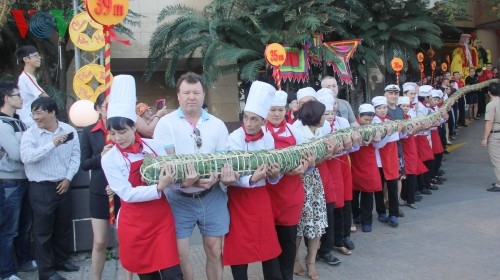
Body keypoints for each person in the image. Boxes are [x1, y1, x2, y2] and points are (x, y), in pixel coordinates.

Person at [100, 75, 182, 279]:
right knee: (148, 275)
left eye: (122, 132)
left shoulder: (154, 147)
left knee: (173, 274)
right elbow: (126, 194)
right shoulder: (109, 159)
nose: (118, 138)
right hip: (134, 223)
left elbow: (171, 176)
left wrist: (178, 181)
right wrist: (158, 188)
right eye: (113, 133)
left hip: (161, 218)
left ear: (134, 127)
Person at [153, 72, 229, 280]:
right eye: (186, 92)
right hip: (177, 198)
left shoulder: (217, 124)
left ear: (204, 94)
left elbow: (224, 160)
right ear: (178, 95)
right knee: (180, 253)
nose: (191, 96)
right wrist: (189, 181)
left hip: (212, 196)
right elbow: (166, 163)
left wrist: (217, 177)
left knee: (215, 249)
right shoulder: (165, 124)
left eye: (196, 92)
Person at [221, 81, 283, 280]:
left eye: (254, 119)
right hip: (239, 200)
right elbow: (231, 174)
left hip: (261, 199)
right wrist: (251, 179)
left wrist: (274, 175)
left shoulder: (269, 139)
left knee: (268, 247)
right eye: (246, 118)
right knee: (239, 250)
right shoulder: (233, 138)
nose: (248, 123)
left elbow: (273, 174)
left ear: (263, 121)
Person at [20, 97, 80, 280]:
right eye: (33, 113)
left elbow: (75, 156)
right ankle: (46, 271)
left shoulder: (69, 130)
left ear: (52, 112)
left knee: (63, 225)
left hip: (63, 184)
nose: (35, 117)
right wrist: (53, 144)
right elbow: (27, 158)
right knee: (42, 231)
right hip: (40, 187)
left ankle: (62, 260)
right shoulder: (30, 134)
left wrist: (68, 178)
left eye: (39, 113)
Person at [80, 93, 132, 280]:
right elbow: (84, 164)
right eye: (105, 106)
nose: (109, 109)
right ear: (98, 108)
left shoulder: (126, 129)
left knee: (125, 241)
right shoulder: (89, 132)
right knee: (100, 241)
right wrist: (100, 156)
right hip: (99, 190)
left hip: (124, 190)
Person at [265, 90, 309, 280]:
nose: (276, 114)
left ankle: (287, 276)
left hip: (291, 194)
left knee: (289, 239)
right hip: (267, 194)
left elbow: (306, 158)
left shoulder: (295, 131)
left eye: (280, 110)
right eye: (273, 110)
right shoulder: (261, 133)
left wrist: (305, 165)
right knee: (269, 240)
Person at [292, 100, 337, 280]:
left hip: (315, 181)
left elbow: (319, 161)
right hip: (299, 180)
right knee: (299, 224)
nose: (326, 118)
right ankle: (295, 260)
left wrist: (328, 153)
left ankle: (311, 261)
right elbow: (298, 163)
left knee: (317, 222)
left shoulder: (320, 131)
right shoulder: (297, 133)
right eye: (324, 115)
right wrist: (321, 158)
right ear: (315, 116)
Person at [0, 81, 30, 280]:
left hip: (24, 178)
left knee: (24, 226)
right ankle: (7, 271)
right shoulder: (2, 123)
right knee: (8, 229)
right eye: (17, 95)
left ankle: (25, 261)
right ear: (6, 98)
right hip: (8, 181)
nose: (21, 98)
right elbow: (18, 153)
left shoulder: (19, 121)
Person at [351, 104, 384, 233]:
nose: (368, 122)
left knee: (368, 193)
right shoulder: (351, 128)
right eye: (365, 120)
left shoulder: (375, 128)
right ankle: (356, 215)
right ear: (358, 117)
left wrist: (375, 139)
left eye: (370, 120)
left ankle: (367, 221)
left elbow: (379, 142)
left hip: (369, 162)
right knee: (353, 193)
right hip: (354, 162)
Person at [372, 96, 401, 228]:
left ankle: (393, 214)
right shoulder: (373, 123)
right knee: (378, 188)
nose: (382, 110)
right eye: (379, 108)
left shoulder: (390, 121)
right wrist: (389, 134)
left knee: (392, 187)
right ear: (374, 110)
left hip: (390, 159)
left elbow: (398, 138)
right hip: (378, 159)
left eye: (384, 107)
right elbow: (378, 145)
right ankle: (381, 212)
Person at [15, 45, 49, 128]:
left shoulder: (27, 76)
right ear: (26, 59)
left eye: (39, 55)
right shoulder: (27, 77)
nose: (39, 58)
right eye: (36, 56)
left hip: (27, 119)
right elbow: (44, 96)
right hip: (29, 120)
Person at [481, 83, 500, 191]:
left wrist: (485, 138)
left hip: (496, 134)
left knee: (497, 160)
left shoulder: (491, 104)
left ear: (489, 92)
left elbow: (489, 122)